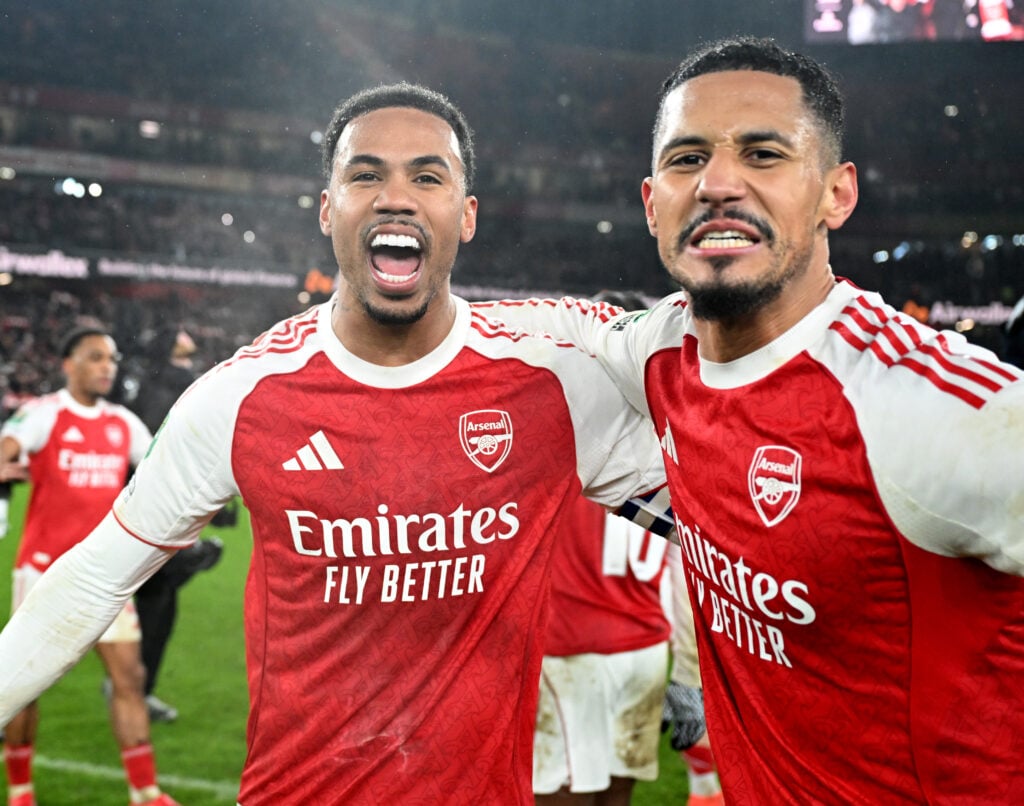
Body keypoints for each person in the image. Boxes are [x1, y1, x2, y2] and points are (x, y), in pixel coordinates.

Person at [0, 84, 670, 805]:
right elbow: (94, 578)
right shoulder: (241, 397)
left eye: (428, 176)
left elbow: (715, 510)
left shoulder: (551, 377)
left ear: (467, 214)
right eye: (365, 174)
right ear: (328, 209)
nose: (396, 198)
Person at [476, 36, 1024, 803]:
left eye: (764, 154)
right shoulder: (660, 353)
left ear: (836, 193)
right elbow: (536, 330)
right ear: (651, 203)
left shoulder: (935, 409)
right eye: (687, 158)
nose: (718, 183)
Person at [0, 327, 178, 806]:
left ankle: (145, 792)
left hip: (107, 576)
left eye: (111, 359)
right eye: (95, 357)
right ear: (69, 364)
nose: (106, 367)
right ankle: (20, 792)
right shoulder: (46, 413)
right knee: (24, 685)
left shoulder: (123, 423)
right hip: (44, 572)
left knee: (130, 677)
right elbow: (9, 445)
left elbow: (165, 465)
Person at [534, 494, 722, 806]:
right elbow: (684, 570)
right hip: (645, 651)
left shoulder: (563, 469)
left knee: (562, 787)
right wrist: (687, 672)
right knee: (618, 786)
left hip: (570, 646)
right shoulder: (665, 474)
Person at [129, 326, 224, 723]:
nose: (188, 338)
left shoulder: (161, 383)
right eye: (181, 336)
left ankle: (134, 687)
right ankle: (136, 690)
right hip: (156, 506)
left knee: (152, 600)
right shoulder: (175, 385)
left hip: (150, 503)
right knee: (155, 605)